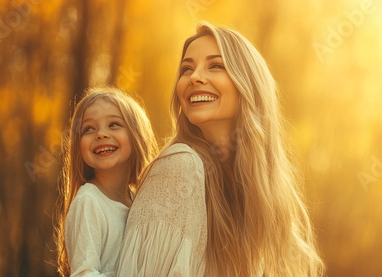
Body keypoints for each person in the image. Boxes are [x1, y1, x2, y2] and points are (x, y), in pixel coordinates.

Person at [116, 22, 324, 276]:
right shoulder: (180, 167)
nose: (194, 77)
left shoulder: (257, 189)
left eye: (215, 65)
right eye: (187, 69)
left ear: (248, 84)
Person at [54, 87, 158, 276]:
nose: (101, 134)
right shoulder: (88, 202)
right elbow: (84, 273)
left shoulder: (140, 202)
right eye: (89, 129)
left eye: (114, 124)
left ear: (136, 136)